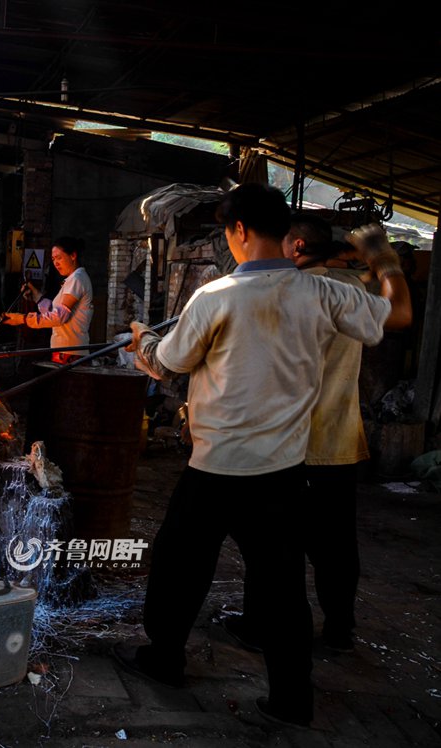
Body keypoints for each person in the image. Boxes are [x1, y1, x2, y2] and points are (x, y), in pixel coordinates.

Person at [116, 184, 411, 729]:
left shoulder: (217, 296)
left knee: (180, 567)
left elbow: (169, 362)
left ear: (240, 231)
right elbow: (393, 313)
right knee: (281, 591)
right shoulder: (325, 294)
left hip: (216, 467)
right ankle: (292, 698)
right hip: (282, 472)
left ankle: (164, 658)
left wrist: (141, 344)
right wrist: (383, 257)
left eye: (229, 233)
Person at [224, 213, 388, 656]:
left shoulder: (288, 292)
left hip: (290, 442)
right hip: (339, 439)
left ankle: (260, 627)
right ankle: (340, 629)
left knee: (273, 542)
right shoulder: (351, 291)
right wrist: (382, 262)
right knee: (337, 544)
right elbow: (395, 310)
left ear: (295, 247)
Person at [1, 237, 94, 363]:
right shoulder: (72, 280)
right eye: (53, 259)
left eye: (59, 258)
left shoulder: (77, 279)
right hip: (65, 352)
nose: (56, 263)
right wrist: (36, 295)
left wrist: (22, 319)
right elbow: (53, 310)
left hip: (70, 353)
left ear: (73, 255)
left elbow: (59, 317)